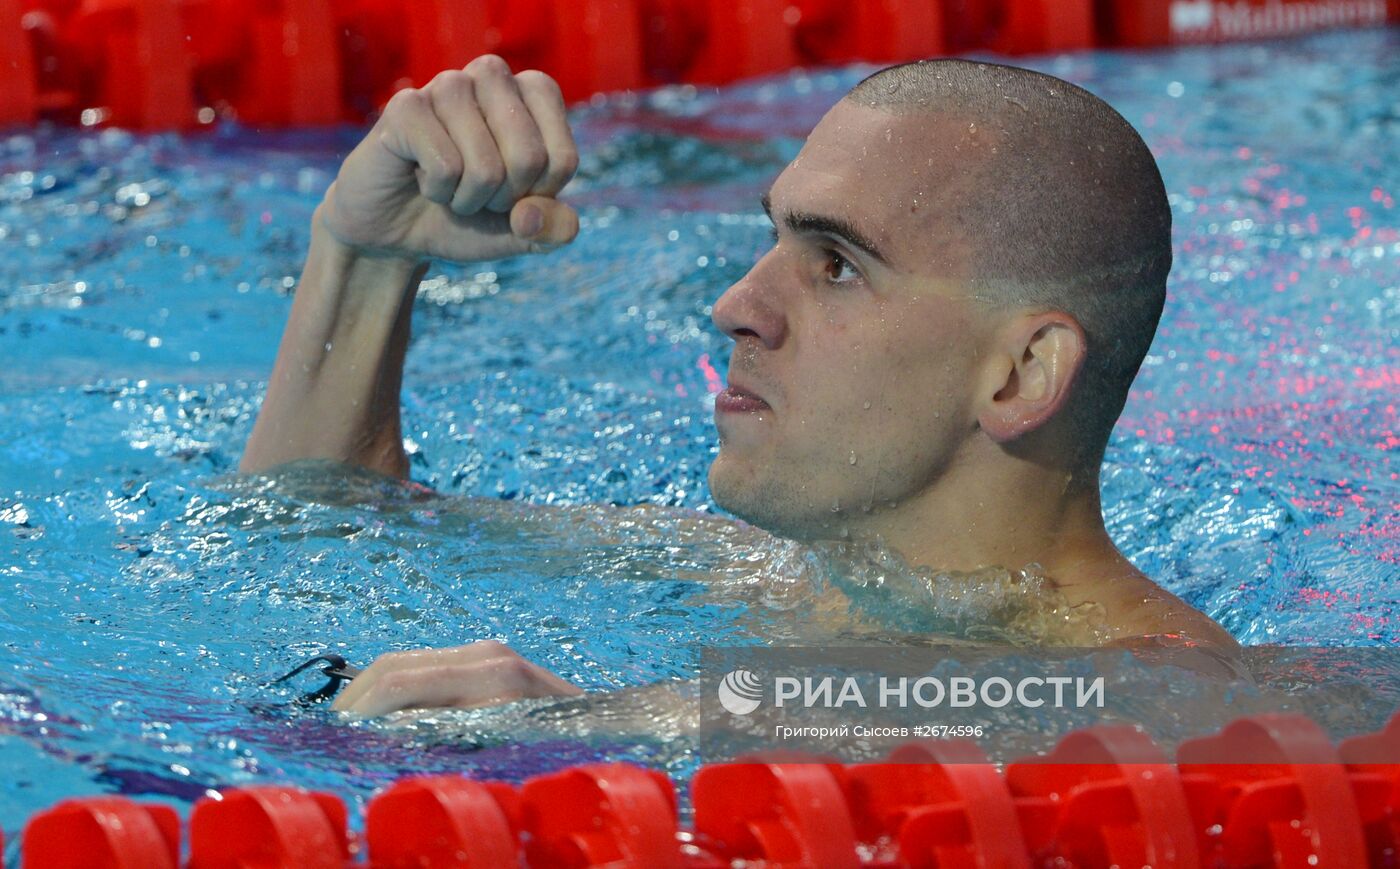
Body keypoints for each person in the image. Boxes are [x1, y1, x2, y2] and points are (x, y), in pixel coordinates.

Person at [240, 54, 1240, 718]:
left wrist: (608, 728)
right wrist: (360, 261)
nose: (733, 305)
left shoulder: (1170, 694)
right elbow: (314, 525)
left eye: (836, 263)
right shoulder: (764, 575)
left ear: (1020, 373)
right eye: (774, 237)